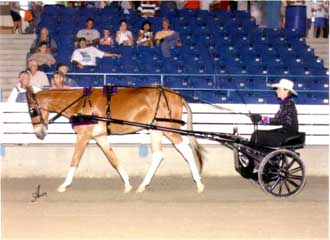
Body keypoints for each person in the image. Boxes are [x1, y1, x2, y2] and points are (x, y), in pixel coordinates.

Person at [250, 79, 299, 147]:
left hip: (288, 134)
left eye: (279, 89)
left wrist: (262, 119)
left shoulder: (288, 104)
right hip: (286, 132)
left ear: (286, 91)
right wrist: (261, 120)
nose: (276, 91)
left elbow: (278, 121)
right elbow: (277, 119)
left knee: (258, 134)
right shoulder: (286, 103)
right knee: (257, 134)